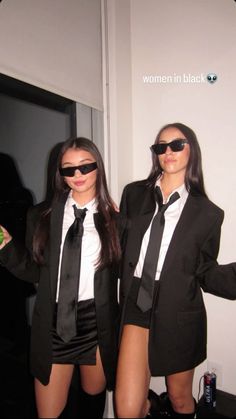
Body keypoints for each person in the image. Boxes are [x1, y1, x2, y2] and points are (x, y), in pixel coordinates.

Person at [114, 122, 236, 418]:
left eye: (177, 145)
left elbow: (205, 270)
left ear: (192, 150)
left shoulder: (208, 214)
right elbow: (117, 246)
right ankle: (148, 405)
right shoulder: (134, 194)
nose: (168, 152)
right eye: (161, 147)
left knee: (181, 400)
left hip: (179, 309)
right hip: (136, 303)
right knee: (127, 409)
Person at [0, 137, 126, 418]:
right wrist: (5, 246)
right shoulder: (40, 215)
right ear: (60, 174)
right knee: (49, 412)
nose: (77, 175)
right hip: (54, 324)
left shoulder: (116, 221)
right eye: (68, 169)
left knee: (93, 400)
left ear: (98, 167)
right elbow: (35, 270)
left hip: (96, 323)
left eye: (85, 166)